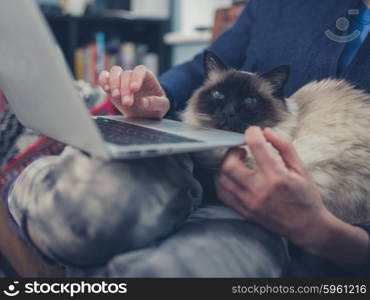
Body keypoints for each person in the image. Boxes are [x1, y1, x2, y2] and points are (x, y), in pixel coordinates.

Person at [4, 0, 370, 277]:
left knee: (173, 272)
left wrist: (325, 233)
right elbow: (203, 67)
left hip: (305, 221)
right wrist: (156, 94)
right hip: (202, 155)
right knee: (81, 210)